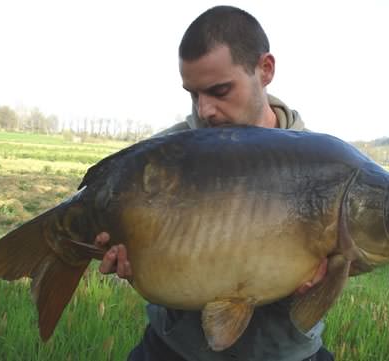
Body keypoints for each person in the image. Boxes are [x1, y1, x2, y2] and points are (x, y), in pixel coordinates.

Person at [95, 6, 335, 361]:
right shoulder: (167, 157)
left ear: (265, 69)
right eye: (193, 94)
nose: (205, 110)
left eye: (220, 90)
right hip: (175, 349)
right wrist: (127, 255)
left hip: (284, 353)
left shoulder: (324, 163)